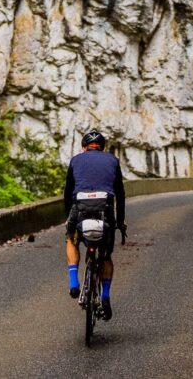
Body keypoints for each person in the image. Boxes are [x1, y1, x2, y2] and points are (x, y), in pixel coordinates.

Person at [64, 130, 126, 321]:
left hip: (80, 207)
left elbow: (68, 193)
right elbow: (120, 194)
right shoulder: (113, 161)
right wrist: (120, 221)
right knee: (105, 255)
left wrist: (69, 219)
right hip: (105, 208)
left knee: (71, 240)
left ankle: (74, 283)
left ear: (84, 147)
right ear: (102, 148)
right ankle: (105, 297)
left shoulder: (75, 160)